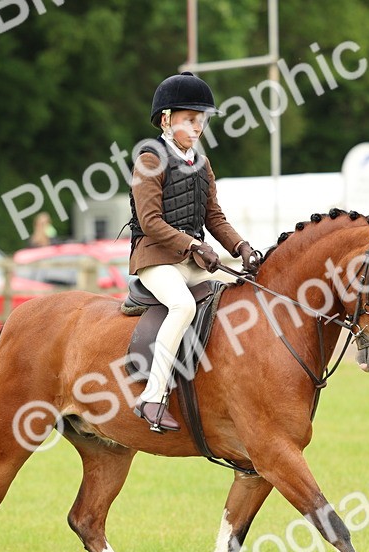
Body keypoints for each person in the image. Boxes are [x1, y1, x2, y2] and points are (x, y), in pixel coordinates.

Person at [127, 72, 257, 433]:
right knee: (183, 306)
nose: (198, 128)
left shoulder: (201, 163)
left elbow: (213, 216)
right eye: (190, 119)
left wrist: (241, 247)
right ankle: (152, 397)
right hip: (154, 259)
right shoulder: (149, 159)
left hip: (190, 259)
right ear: (167, 119)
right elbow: (150, 221)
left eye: (202, 120)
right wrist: (194, 246)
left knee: (236, 297)